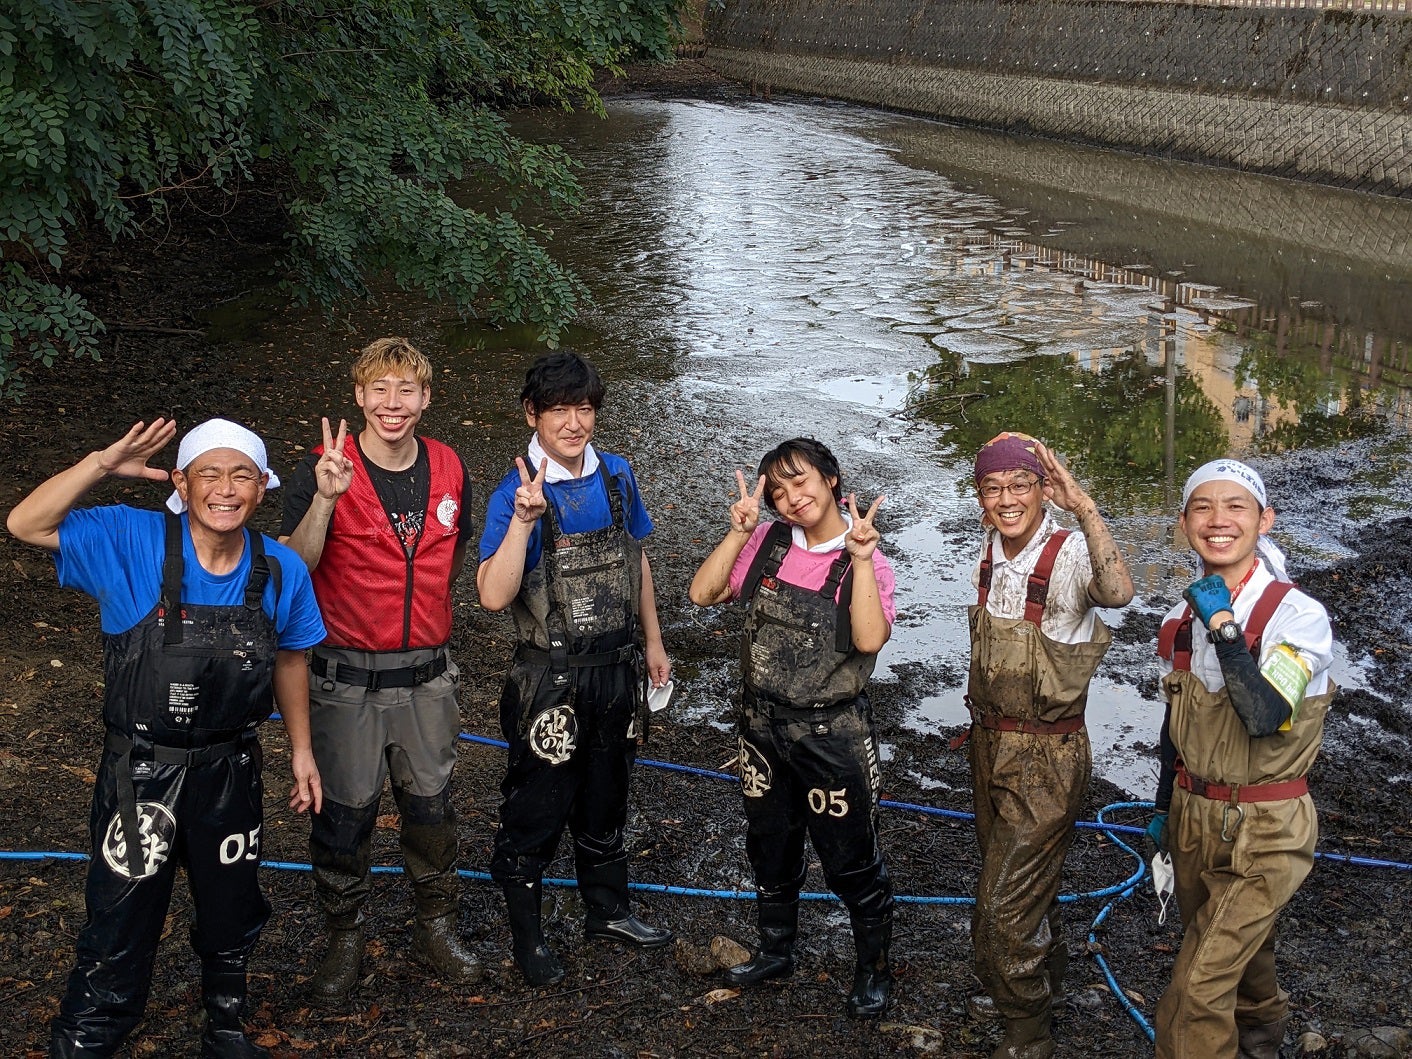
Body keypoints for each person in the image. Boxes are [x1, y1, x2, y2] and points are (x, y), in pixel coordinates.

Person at [6, 417, 325, 1059]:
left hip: (230, 769)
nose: (226, 490)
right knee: (122, 908)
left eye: (242, 475)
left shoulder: (282, 567)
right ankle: (89, 1033)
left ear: (263, 487)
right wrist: (102, 462)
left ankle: (226, 1026)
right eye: (209, 473)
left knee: (231, 904)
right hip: (143, 772)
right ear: (181, 482)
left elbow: (291, 658)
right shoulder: (132, 538)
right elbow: (25, 524)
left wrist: (301, 751)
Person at [280, 337, 480, 1005]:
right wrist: (327, 499)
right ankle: (345, 935)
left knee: (432, 810)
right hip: (344, 679)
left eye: (406, 390)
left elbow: (447, 567)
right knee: (344, 817)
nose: (392, 403)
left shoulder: (451, 467)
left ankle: (436, 925)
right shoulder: (322, 469)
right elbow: (293, 570)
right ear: (359, 396)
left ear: (426, 398)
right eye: (379, 389)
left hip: (426, 678)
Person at [477, 350, 673, 987]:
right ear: (532, 414)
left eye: (584, 408)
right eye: (558, 409)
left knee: (607, 793)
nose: (573, 422)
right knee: (536, 805)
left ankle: (607, 910)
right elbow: (492, 595)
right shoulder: (516, 491)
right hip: (549, 680)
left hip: (615, 671)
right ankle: (528, 937)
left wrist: (652, 640)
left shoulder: (617, 476)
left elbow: (636, 559)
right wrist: (523, 522)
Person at [688, 438, 897, 1018]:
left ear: (832, 479)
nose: (790, 497)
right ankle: (776, 950)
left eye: (800, 481)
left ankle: (872, 969)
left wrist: (856, 559)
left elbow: (869, 641)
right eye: (777, 490)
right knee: (770, 846)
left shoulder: (868, 559)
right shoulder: (766, 542)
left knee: (848, 858)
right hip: (761, 729)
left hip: (832, 737)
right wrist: (737, 531)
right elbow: (702, 594)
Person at [1149, 459, 1334, 1059]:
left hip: (1267, 828)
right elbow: (1174, 727)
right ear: (1184, 523)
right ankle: (1261, 1043)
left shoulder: (1296, 616)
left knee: (1197, 987)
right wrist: (1162, 809)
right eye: (1203, 507)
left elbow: (1264, 716)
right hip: (1194, 816)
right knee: (1240, 957)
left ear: (1265, 520)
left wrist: (1225, 627)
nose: (1218, 520)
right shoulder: (1179, 622)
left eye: (1236, 507)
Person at [960, 431, 1134, 1059]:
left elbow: (1118, 594)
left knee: (1003, 906)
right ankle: (1043, 977)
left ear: (1043, 490)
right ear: (981, 496)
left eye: (1021, 485)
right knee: (1017, 882)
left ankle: (1027, 1032)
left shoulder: (1067, 554)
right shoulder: (989, 551)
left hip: (1047, 754)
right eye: (993, 487)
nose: (1007, 499)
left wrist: (1083, 507)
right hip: (988, 743)